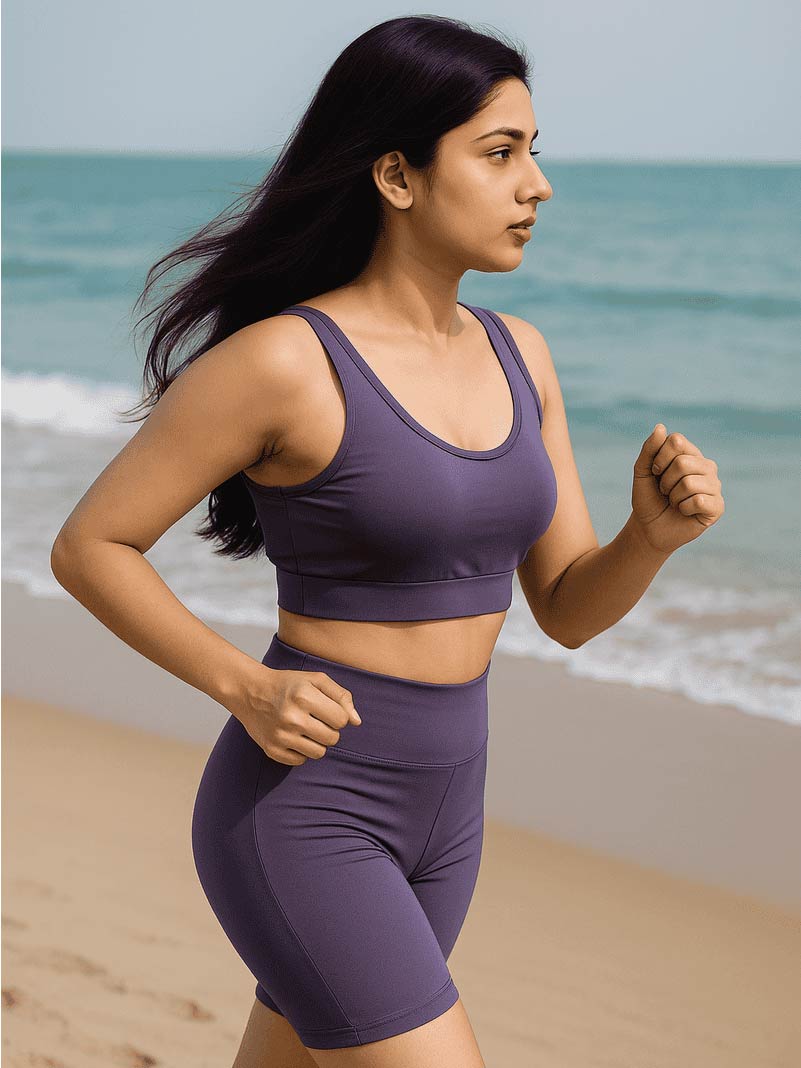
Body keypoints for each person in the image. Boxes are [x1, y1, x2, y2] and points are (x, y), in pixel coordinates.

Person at [50, 14, 724, 1068]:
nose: (536, 185)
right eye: (500, 154)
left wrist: (652, 535)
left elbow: (569, 609)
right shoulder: (284, 362)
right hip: (307, 808)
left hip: (451, 807)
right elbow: (91, 545)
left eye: (535, 152)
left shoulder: (522, 355)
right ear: (398, 177)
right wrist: (244, 686)